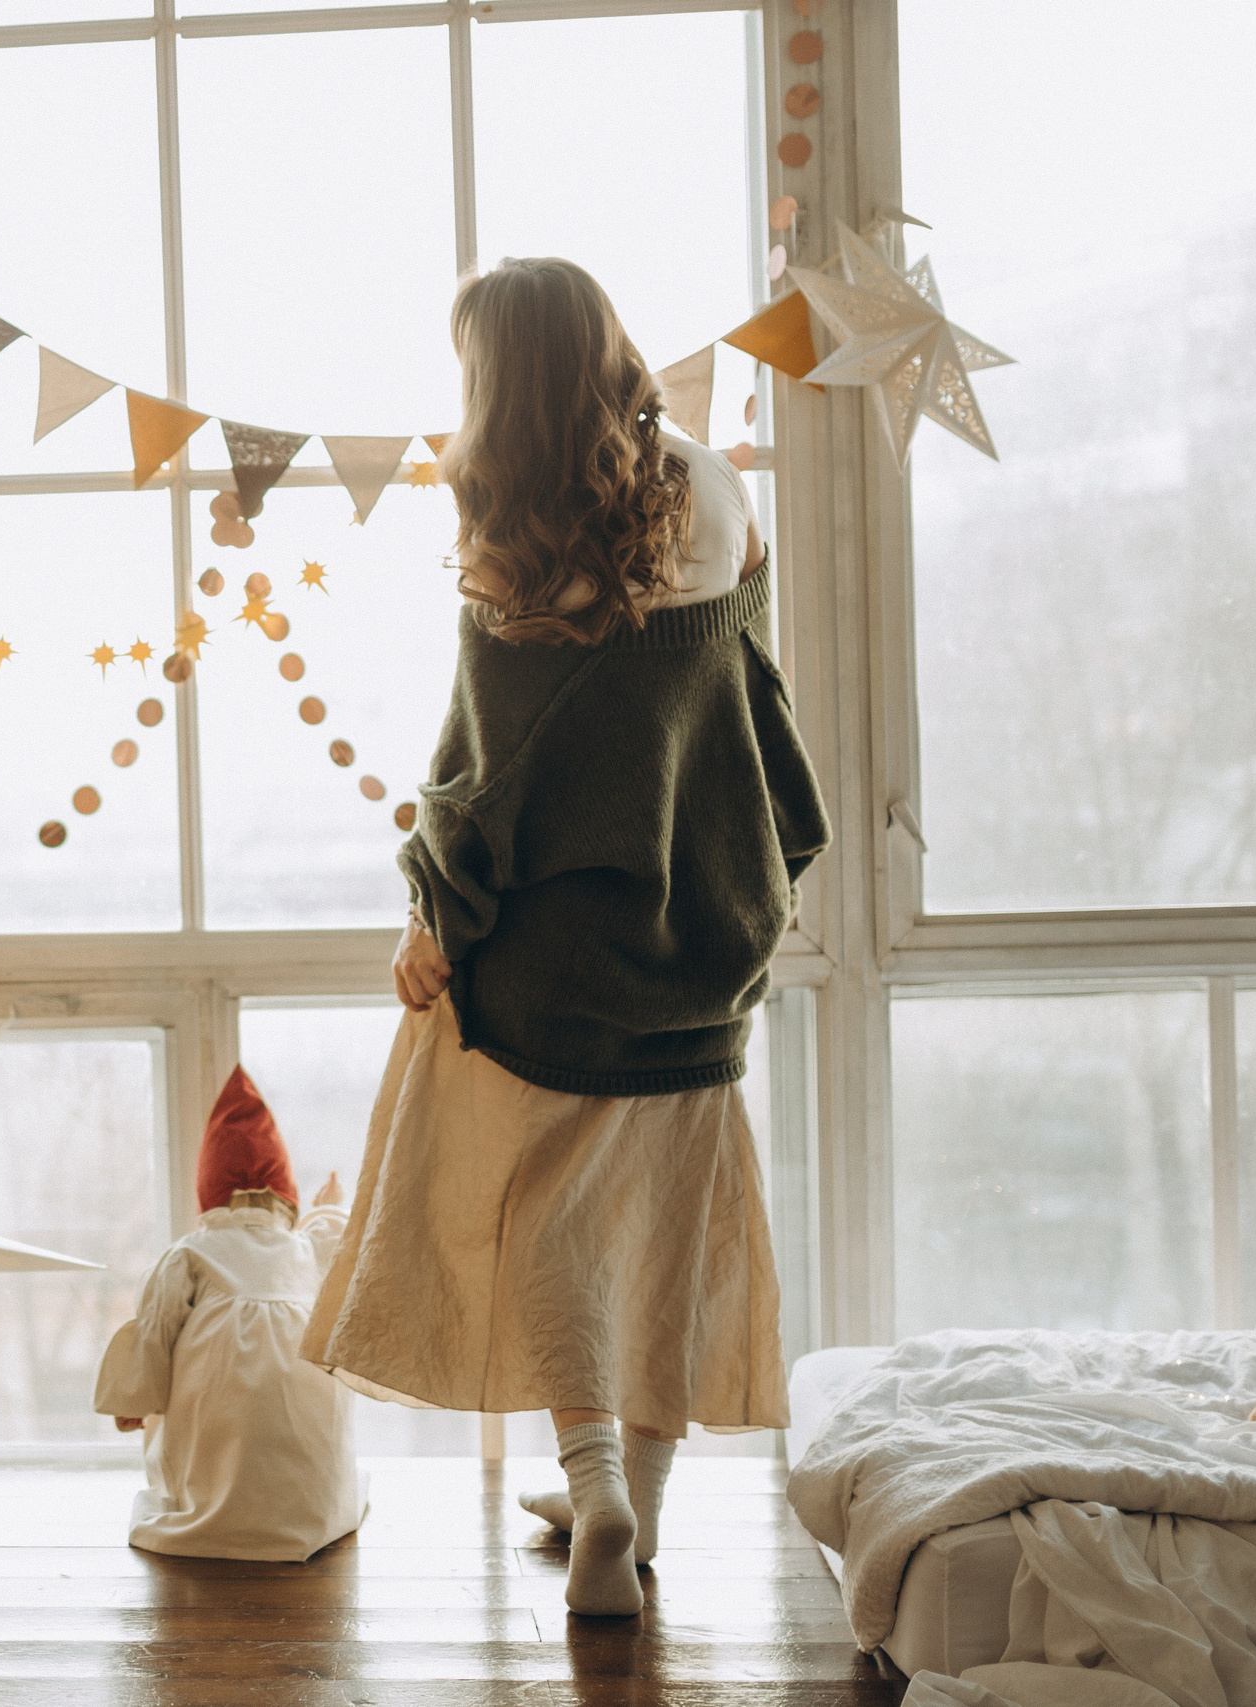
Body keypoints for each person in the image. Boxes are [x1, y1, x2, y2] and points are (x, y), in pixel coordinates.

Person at [301, 257, 829, 1616]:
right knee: (669, 1222)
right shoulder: (718, 488)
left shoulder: (504, 540)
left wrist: (433, 911)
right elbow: (744, 680)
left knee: (543, 1214)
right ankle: (633, 1515)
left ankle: (593, 1480)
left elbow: (483, 775)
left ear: (499, 383)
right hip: (703, 932)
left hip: (545, 960)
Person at [94, 1067, 366, 1562]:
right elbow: (342, 1244)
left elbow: (154, 1333)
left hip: (216, 1425)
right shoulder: (305, 1248)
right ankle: (309, 1504)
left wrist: (135, 1399)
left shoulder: (191, 1253)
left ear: (208, 1194)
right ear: (286, 1200)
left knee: (200, 1390)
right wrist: (330, 1206)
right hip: (311, 1498)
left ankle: (214, 1507)